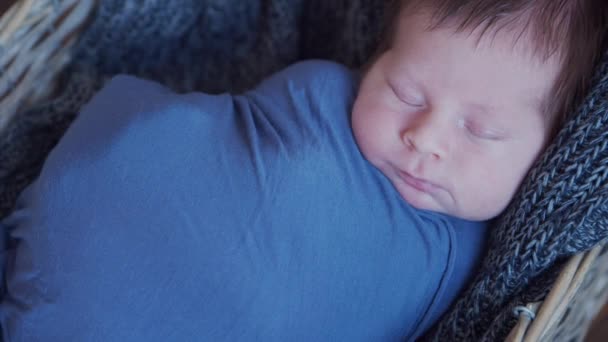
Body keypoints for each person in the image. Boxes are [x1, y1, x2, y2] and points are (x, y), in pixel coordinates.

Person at [0, 0, 605, 341]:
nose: (425, 139)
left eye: (481, 130)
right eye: (405, 91)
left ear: (548, 152)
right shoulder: (320, 94)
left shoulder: (484, 264)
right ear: (375, 61)